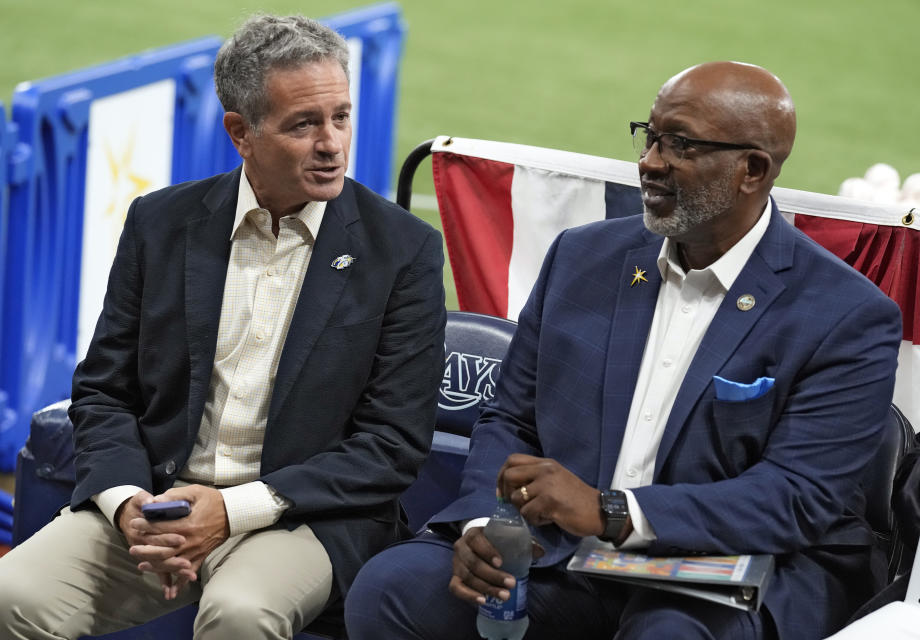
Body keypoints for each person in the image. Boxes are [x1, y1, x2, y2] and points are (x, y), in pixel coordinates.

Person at [344, 61, 902, 640]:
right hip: (561, 554)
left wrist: (615, 512)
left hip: (731, 572)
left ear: (752, 170)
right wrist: (490, 526)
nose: (649, 161)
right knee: (393, 588)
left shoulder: (847, 314)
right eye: (650, 134)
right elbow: (511, 417)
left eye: (679, 144)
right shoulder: (582, 258)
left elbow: (797, 498)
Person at [0, 13, 445, 640]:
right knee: (5, 597)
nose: (331, 142)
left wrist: (231, 509)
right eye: (304, 124)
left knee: (240, 616)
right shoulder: (160, 223)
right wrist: (125, 503)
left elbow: (392, 444)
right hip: (158, 500)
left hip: (301, 517)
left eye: (341, 116)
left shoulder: (404, 250)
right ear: (240, 132)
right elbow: (104, 391)